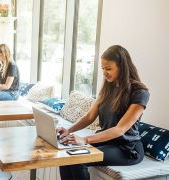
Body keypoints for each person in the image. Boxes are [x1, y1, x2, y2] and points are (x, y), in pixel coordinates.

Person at [57, 45, 150, 180]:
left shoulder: (140, 92)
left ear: (122, 67)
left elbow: (120, 130)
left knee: (78, 159)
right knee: (65, 156)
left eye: (108, 69)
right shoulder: (108, 88)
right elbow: (89, 116)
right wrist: (68, 130)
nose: (104, 73)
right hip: (107, 141)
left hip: (126, 148)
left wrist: (84, 139)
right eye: (103, 69)